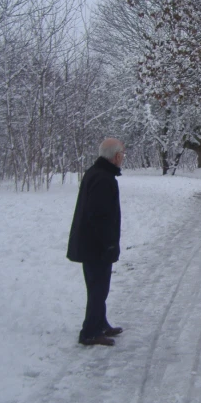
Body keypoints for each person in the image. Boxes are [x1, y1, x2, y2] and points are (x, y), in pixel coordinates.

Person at [67, 138, 125, 347]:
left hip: (91, 244)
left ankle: (100, 323)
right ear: (116, 156)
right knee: (98, 288)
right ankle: (90, 332)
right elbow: (99, 216)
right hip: (95, 246)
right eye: (122, 154)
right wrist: (108, 244)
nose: (123, 158)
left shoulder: (98, 173)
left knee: (99, 287)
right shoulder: (103, 178)